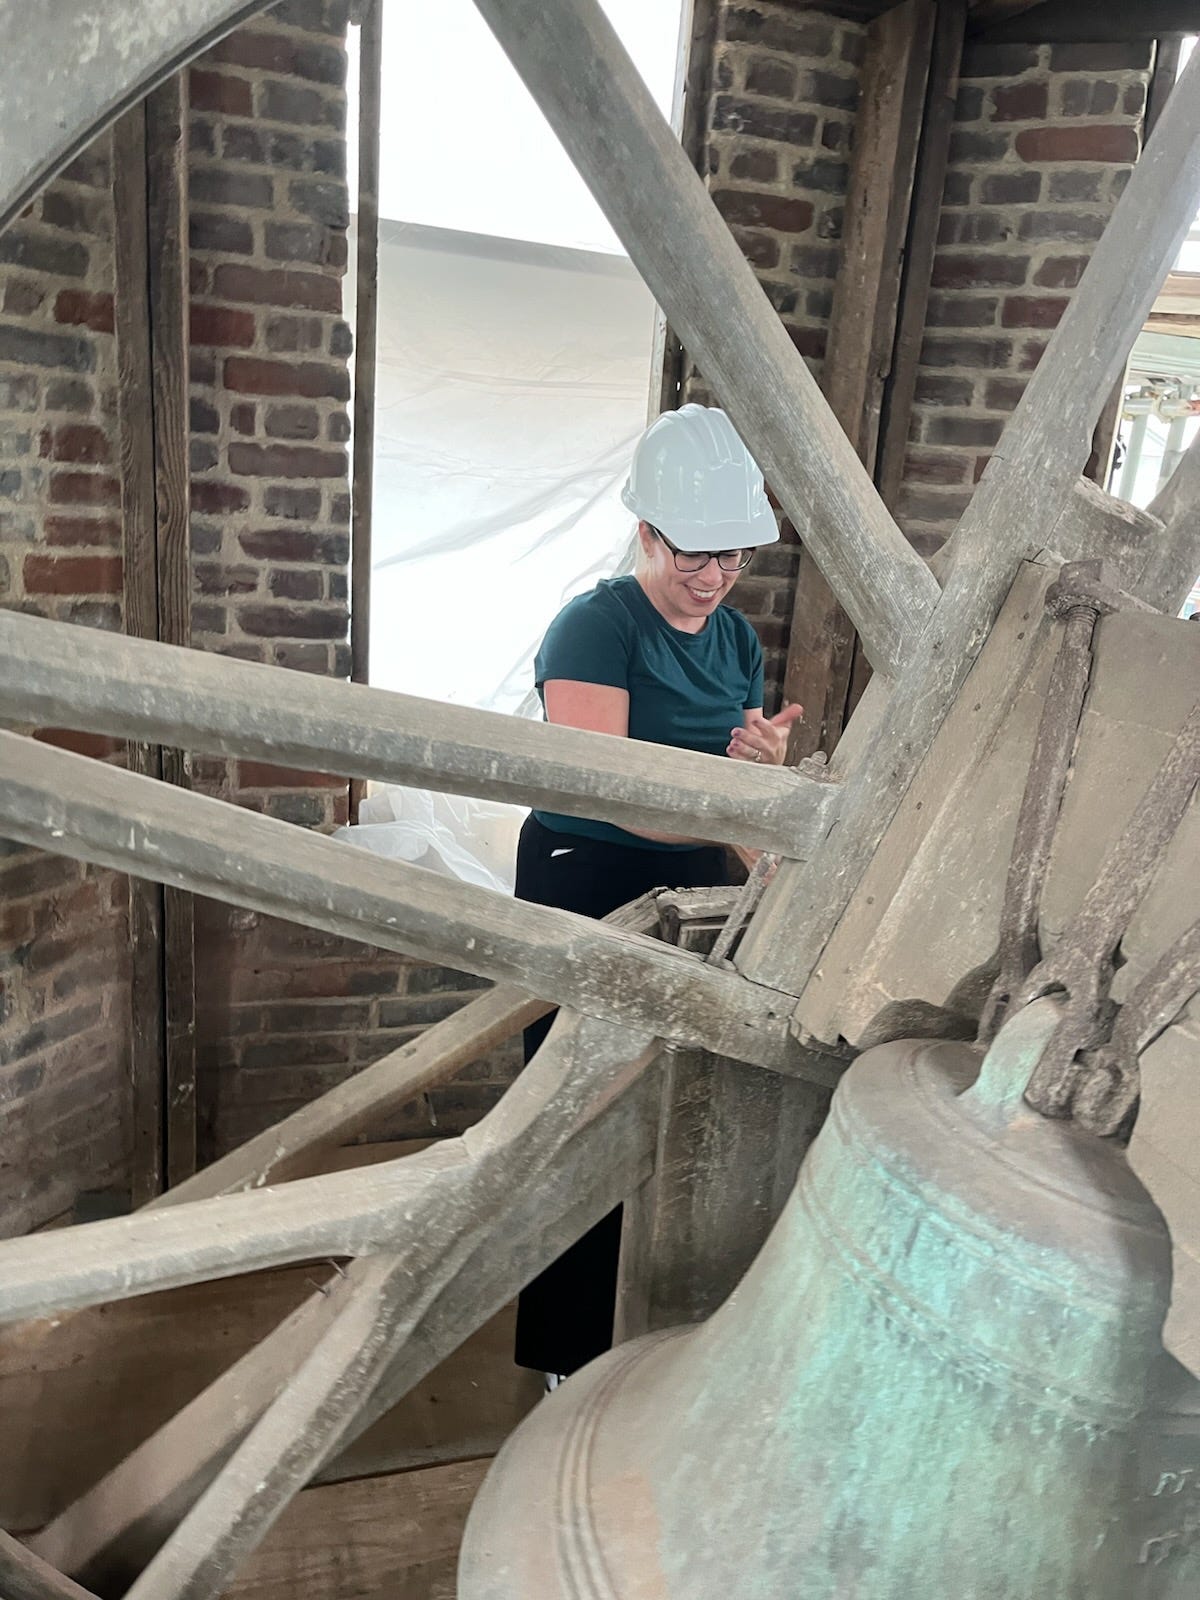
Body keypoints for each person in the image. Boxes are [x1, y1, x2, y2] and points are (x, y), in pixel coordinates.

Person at [512, 403, 802, 1384]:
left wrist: (763, 767)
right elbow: (608, 788)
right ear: (646, 532)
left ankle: (651, 1330)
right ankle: (564, 1353)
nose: (713, 575)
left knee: (677, 1102)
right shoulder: (594, 629)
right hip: (586, 871)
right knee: (579, 1105)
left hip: (691, 876)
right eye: (693, 553)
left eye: (732, 555)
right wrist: (733, 812)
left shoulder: (737, 641)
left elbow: (738, 769)